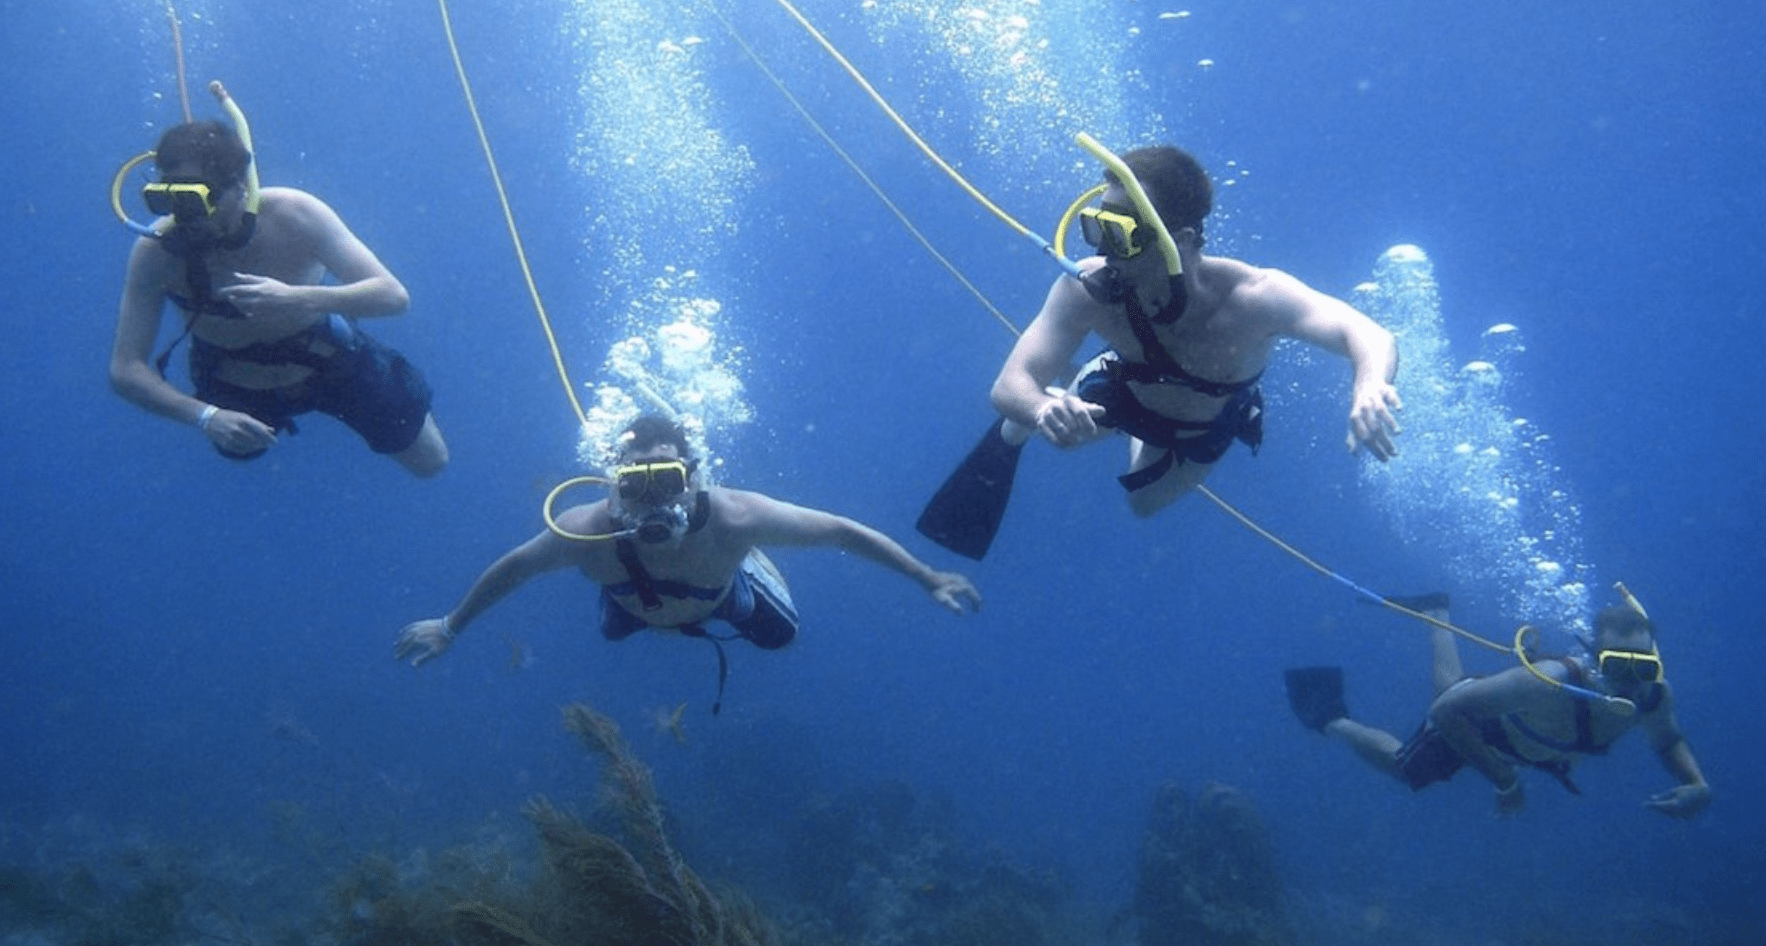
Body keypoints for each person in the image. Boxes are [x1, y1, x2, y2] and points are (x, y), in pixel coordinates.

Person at [918, 145, 1400, 559]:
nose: (1103, 252)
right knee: (1057, 422)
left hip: (1204, 422)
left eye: (1119, 234)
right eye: (1096, 227)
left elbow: (1368, 334)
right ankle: (1049, 407)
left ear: (1182, 240)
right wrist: (1042, 409)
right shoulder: (1087, 289)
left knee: (1142, 504)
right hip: (1124, 386)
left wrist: (1369, 384)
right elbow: (1009, 385)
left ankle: (1086, 397)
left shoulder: (1254, 297)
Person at [396, 416, 981, 707]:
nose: (654, 500)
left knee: (781, 637)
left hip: (721, 591)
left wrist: (924, 576)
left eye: (667, 480)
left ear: (693, 478)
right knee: (614, 633)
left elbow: (838, 532)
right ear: (613, 486)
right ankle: (643, 598)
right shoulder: (583, 532)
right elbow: (511, 571)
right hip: (633, 603)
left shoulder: (736, 519)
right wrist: (450, 627)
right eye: (637, 483)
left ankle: (747, 570)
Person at [109, 119, 448, 476]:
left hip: (329, 357)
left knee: (431, 461)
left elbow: (393, 296)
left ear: (239, 187)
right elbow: (126, 369)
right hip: (233, 385)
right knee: (237, 453)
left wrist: (300, 298)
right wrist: (206, 417)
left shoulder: (295, 215)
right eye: (167, 200)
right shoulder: (156, 253)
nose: (184, 218)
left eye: (196, 200)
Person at [1284, 593, 1711, 818]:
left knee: (1451, 689)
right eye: (1618, 666)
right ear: (1595, 657)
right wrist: (1504, 779)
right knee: (1407, 768)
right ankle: (1330, 717)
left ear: (1657, 664)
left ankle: (1436, 610)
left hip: (1513, 728)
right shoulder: (1550, 683)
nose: (1630, 684)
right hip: (1485, 730)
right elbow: (1446, 714)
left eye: (1644, 668)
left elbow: (1668, 740)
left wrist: (1695, 782)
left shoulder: (1655, 697)